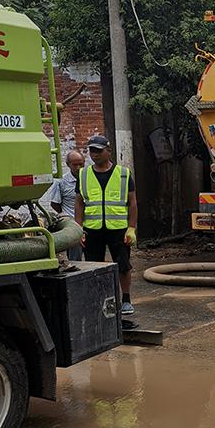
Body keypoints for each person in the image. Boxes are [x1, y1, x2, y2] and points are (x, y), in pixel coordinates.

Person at [74, 135, 138, 317]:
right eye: (91, 150)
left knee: (123, 265)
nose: (94, 154)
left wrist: (131, 228)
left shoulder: (123, 174)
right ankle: (99, 299)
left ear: (108, 151)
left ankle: (125, 300)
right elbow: (79, 203)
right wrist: (78, 229)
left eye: (98, 150)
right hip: (92, 229)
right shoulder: (84, 174)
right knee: (94, 266)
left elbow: (132, 202)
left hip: (118, 229)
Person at [50, 150, 86, 261]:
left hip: (90, 223)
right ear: (68, 165)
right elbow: (55, 203)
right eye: (75, 165)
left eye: (81, 164)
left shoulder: (89, 178)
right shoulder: (62, 182)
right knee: (75, 258)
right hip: (73, 225)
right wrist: (67, 216)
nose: (78, 167)